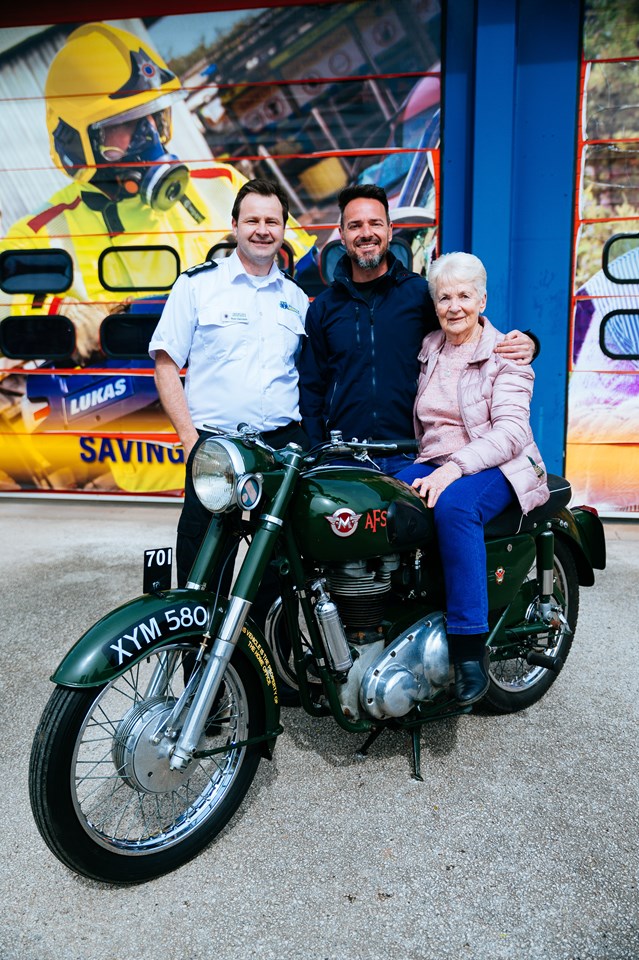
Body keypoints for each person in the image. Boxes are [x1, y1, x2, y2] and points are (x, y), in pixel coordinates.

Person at [1, 21, 314, 362]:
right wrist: (69, 323)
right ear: (75, 142)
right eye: (125, 123)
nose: (149, 135)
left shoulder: (221, 185)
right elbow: (12, 326)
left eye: (154, 116)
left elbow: (308, 275)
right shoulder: (40, 237)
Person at [394, 252, 550, 706]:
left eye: (465, 295)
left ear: (483, 299)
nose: (454, 305)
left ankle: (467, 651)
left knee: (457, 508)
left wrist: (454, 469)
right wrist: (439, 466)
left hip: (499, 463)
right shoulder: (430, 347)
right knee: (379, 503)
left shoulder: (507, 355)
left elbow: (511, 431)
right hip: (436, 459)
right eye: (445, 296)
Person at [298, 184, 535, 475]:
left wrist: (530, 343)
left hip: (411, 455)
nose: (366, 233)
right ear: (343, 234)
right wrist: (316, 450)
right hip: (344, 456)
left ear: (389, 229)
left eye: (375, 223)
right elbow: (311, 385)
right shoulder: (324, 307)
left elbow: (470, 332)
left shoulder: (420, 294)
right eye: (355, 225)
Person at [149, 178, 309, 592]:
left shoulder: (298, 298)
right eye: (252, 219)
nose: (262, 229)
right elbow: (166, 366)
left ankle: (267, 651)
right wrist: (191, 443)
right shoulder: (197, 285)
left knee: (279, 571)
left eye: (272, 221)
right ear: (234, 224)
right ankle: (199, 656)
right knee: (204, 569)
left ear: (283, 229)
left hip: (280, 448)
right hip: (215, 447)